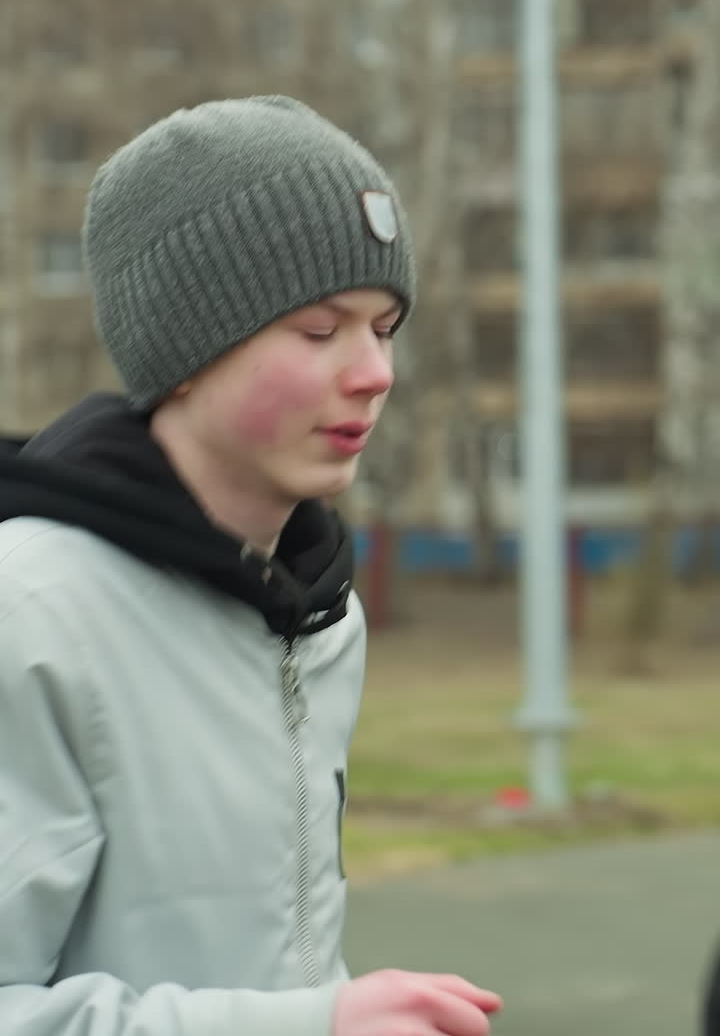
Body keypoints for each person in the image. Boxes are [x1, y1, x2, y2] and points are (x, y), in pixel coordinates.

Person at [0, 96, 502, 1036]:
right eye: (320, 330)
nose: (374, 372)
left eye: (385, 328)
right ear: (184, 352)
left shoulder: (318, 615)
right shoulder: (27, 613)